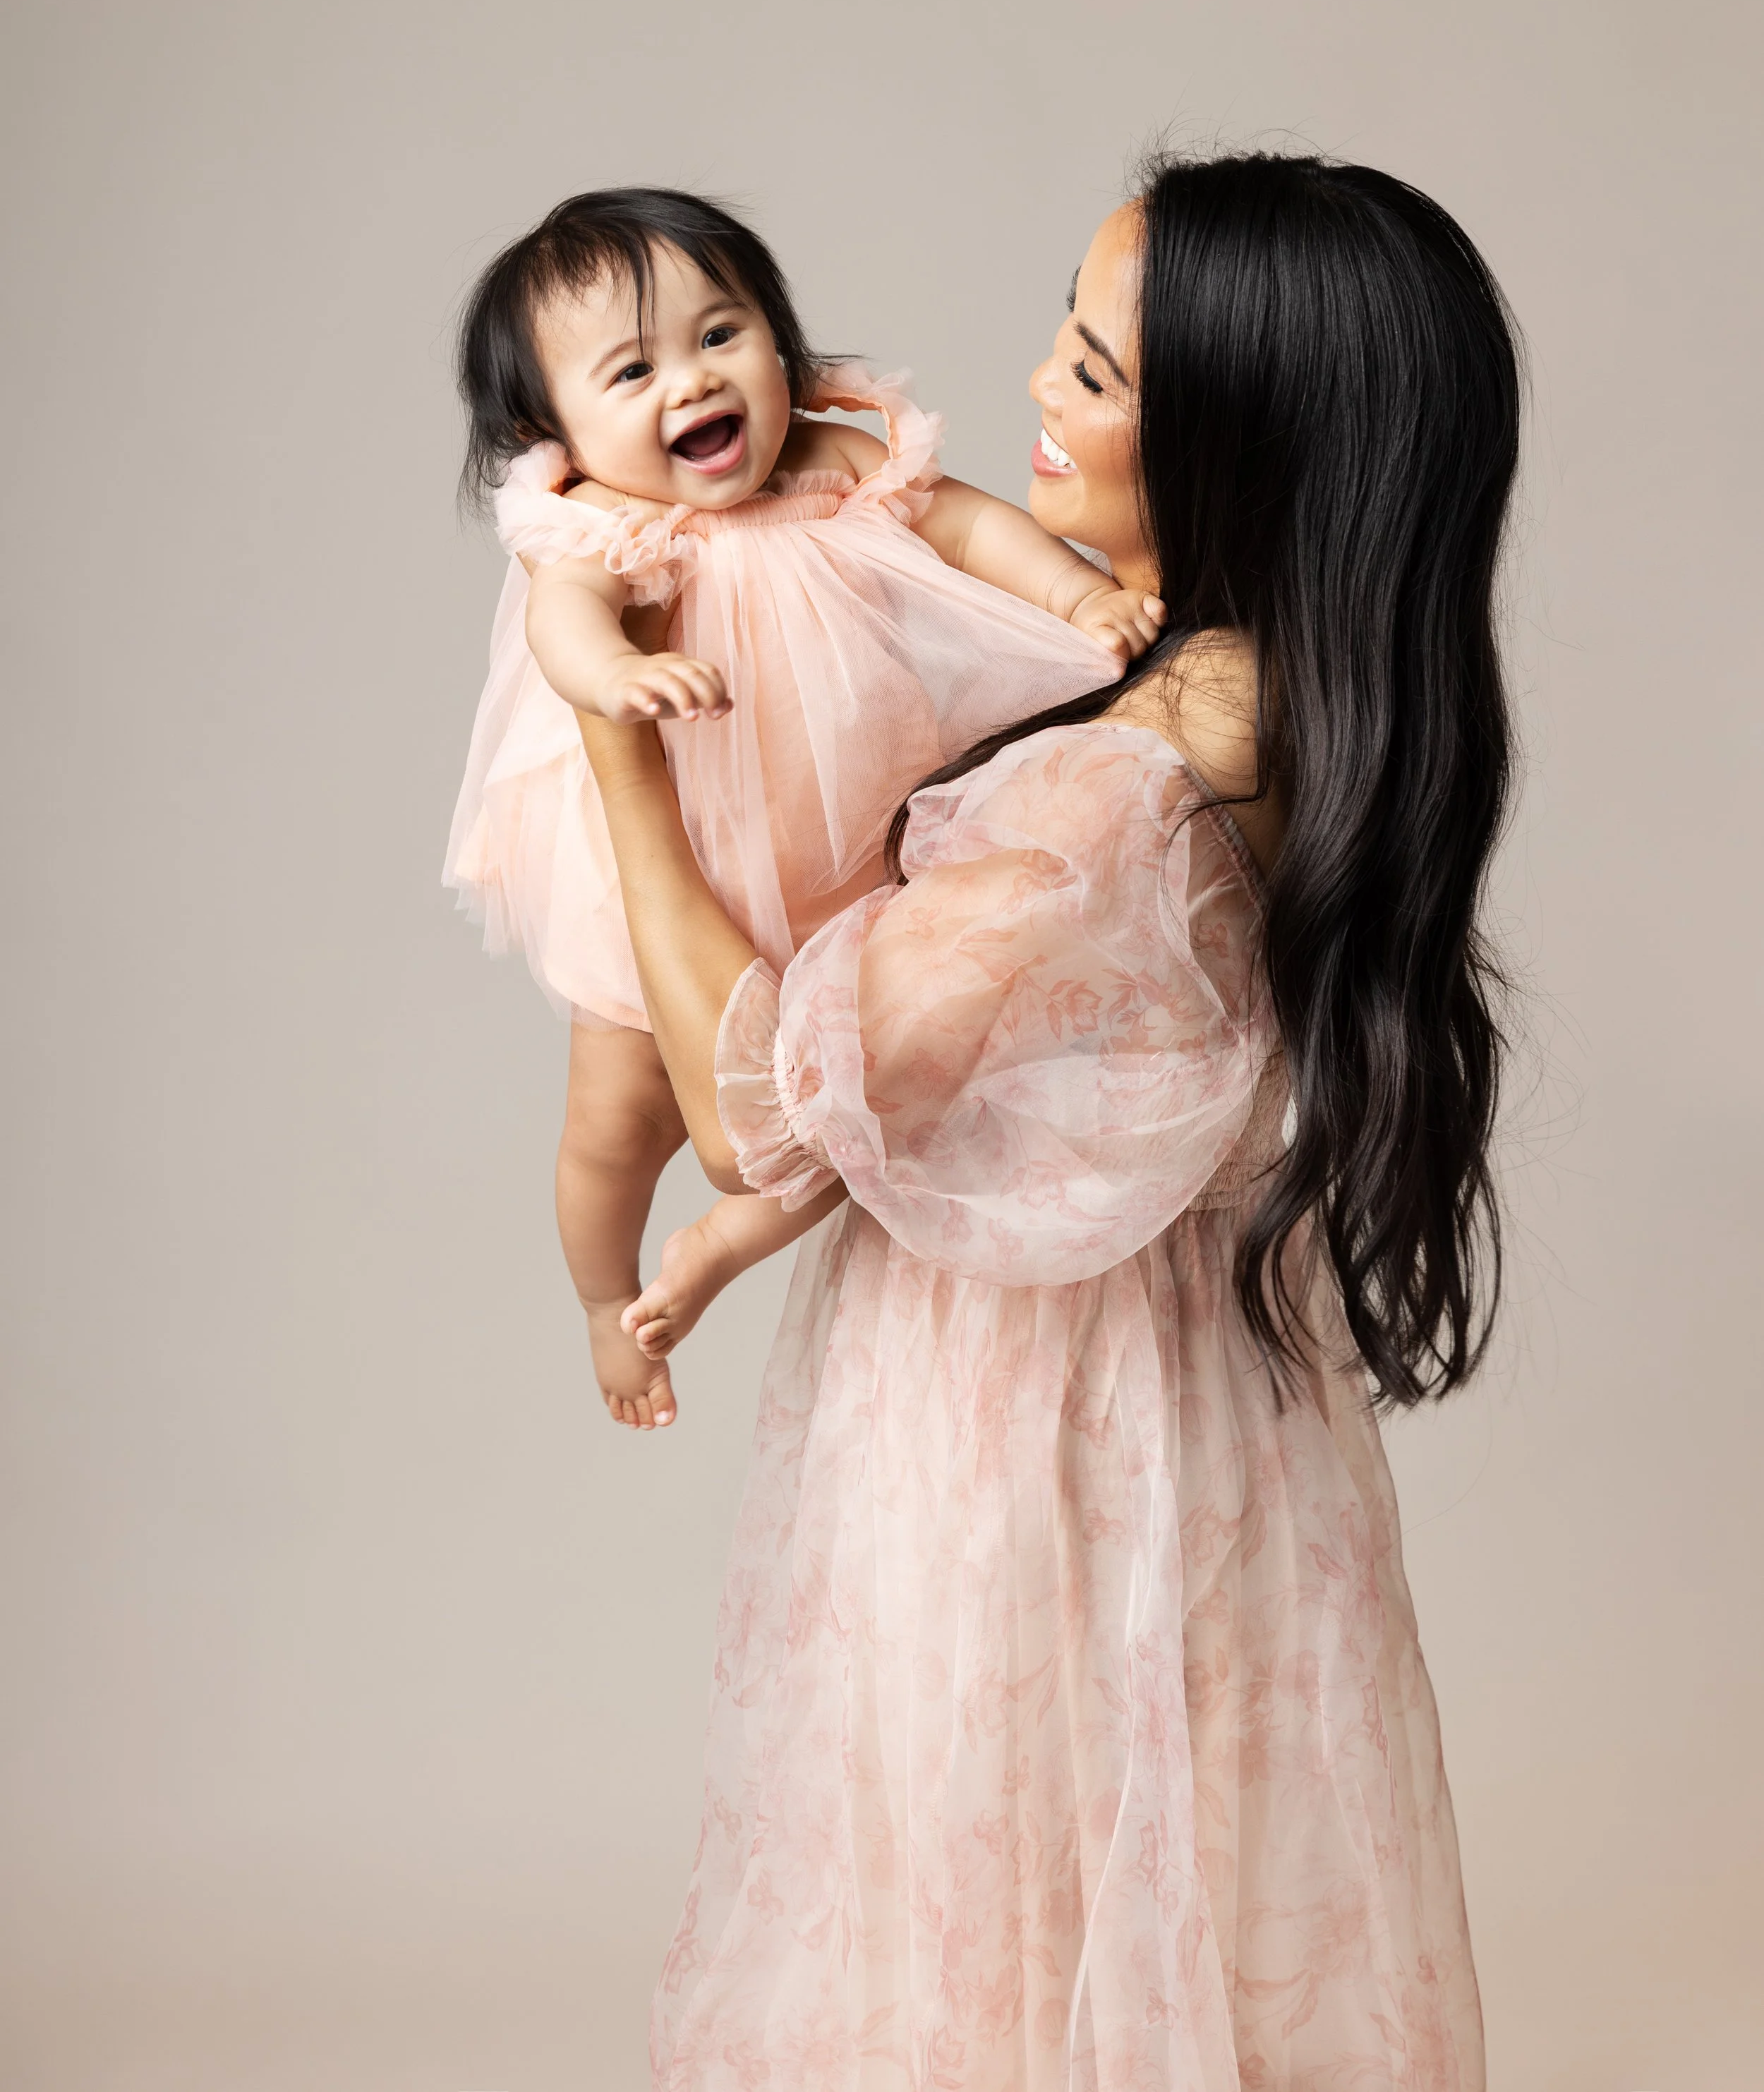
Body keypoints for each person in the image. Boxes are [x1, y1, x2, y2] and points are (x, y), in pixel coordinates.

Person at [578, 151, 1519, 2086]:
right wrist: (896, 512)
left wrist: (608, 750)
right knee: (1156, 1908)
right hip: (1192, 1413)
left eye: (1091, 371)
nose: (1039, 384)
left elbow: (758, 1104)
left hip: (1032, 1437)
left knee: (1000, 1930)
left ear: (1244, 439)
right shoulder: (1264, 679)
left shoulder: (1133, 784)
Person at [445, 189, 1160, 1425]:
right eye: (631, 370)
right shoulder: (601, 525)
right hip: (664, 881)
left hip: (839, 849)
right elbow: (566, 621)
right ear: (551, 431)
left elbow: (974, 525)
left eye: (720, 335)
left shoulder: (832, 461)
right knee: (616, 1121)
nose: (690, 382)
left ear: (780, 342)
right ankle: (601, 1297)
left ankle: (724, 1244)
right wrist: (615, 672)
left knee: (846, 1083)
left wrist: (1078, 600)